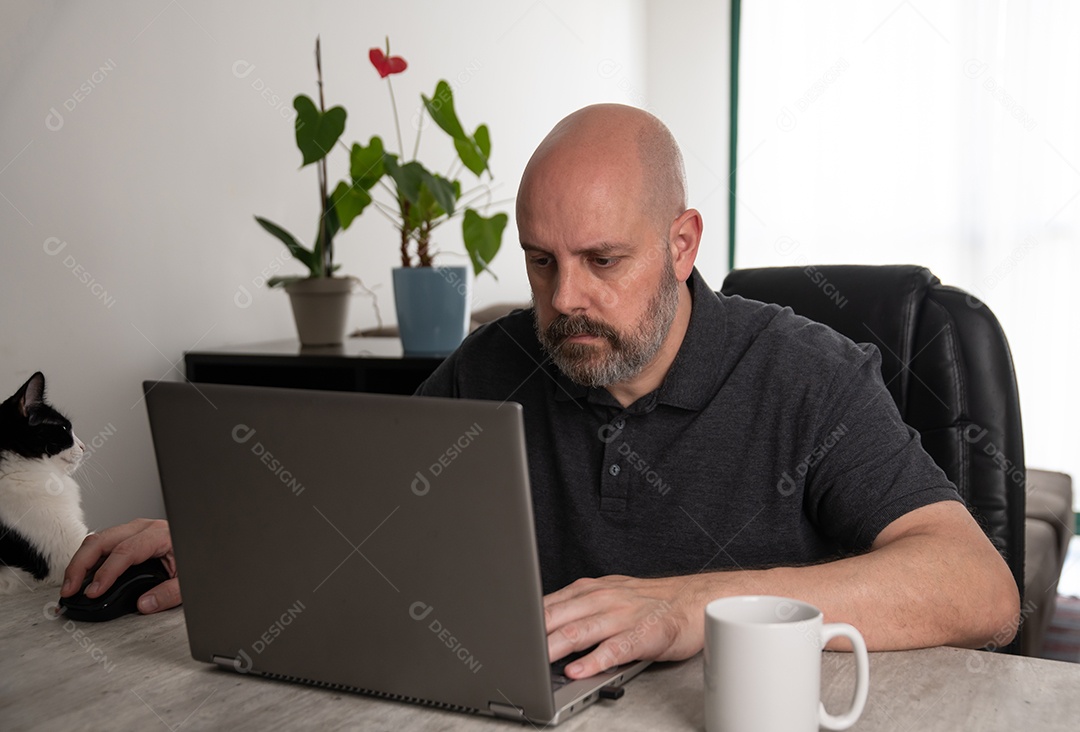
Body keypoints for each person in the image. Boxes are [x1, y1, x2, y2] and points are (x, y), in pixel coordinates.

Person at [63, 104, 1019, 681]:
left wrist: (687, 607)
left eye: (604, 260)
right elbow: (369, 515)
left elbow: (980, 590)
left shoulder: (809, 374)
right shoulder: (499, 361)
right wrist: (227, 536)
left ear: (683, 244)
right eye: (540, 262)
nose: (565, 303)